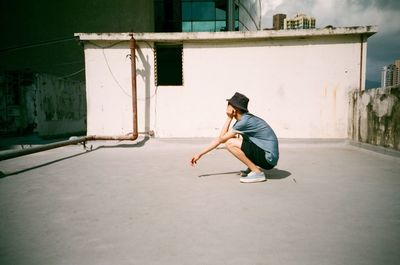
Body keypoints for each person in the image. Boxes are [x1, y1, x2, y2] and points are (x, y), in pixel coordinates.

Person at [190, 92, 279, 183]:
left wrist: (229, 118)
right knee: (238, 139)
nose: (227, 106)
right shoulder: (245, 120)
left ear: (234, 109)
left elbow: (221, 139)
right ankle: (252, 168)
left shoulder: (244, 122)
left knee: (230, 143)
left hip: (268, 159)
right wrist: (199, 154)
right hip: (268, 156)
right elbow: (221, 138)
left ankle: (257, 172)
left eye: (229, 104)